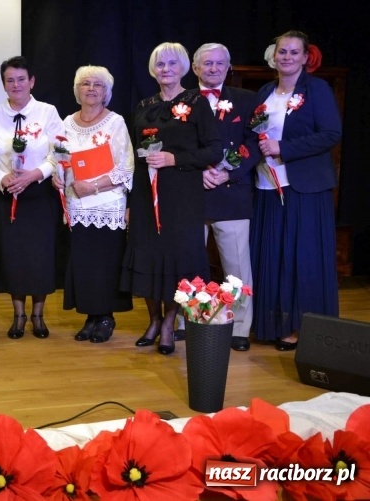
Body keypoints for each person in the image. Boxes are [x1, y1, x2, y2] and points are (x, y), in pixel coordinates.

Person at [120, 42, 222, 355]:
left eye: (171, 64)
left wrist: (173, 159)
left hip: (183, 198)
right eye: (160, 65)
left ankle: (169, 323)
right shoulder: (144, 105)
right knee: (149, 256)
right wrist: (128, 201)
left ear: (184, 68)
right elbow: (135, 154)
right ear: (153, 70)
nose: (166, 70)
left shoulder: (197, 102)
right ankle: (152, 320)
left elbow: (214, 149)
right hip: (145, 196)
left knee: (178, 259)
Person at [249, 30, 341, 351]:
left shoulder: (317, 89)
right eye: (281, 52)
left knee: (301, 258)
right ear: (273, 56)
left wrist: (283, 147)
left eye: (293, 52)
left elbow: (331, 133)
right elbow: (253, 137)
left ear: (305, 57)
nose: (286, 57)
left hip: (304, 188)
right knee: (272, 256)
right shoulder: (263, 91)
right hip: (266, 186)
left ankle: (301, 327)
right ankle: (271, 323)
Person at [0, 56, 63, 339]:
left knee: (40, 256)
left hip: (39, 195)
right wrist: (2, 179)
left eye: (21, 79)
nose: (16, 85)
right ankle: (18, 315)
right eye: (10, 80)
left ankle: (38, 316)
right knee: (12, 256)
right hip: (6, 194)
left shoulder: (48, 112)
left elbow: (59, 153)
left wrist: (35, 174)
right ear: (3, 84)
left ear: (32, 81)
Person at [54, 65, 133, 343]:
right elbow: (59, 158)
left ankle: (106, 317)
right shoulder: (65, 122)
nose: (91, 89)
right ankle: (90, 316)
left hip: (107, 202)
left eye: (97, 85)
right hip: (77, 204)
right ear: (77, 90)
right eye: (85, 83)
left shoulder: (115, 122)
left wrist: (95, 185)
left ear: (106, 92)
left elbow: (126, 166)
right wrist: (57, 176)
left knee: (106, 262)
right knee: (84, 263)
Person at [192, 42, 259, 352]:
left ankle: (240, 326)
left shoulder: (246, 100)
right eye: (207, 63)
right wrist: (198, 172)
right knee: (189, 263)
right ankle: (188, 320)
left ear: (228, 67)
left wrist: (228, 173)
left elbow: (255, 143)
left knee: (236, 266)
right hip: (192, 192)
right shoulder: (182, 100)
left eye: (220, 63)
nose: (214, 68)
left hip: (232, 195)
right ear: (195, 68)